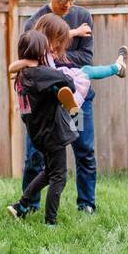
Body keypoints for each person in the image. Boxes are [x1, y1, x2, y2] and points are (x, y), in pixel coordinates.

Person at [21, 0, 112, 214]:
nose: (68, 4)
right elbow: (32, 62)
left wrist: (51, 54)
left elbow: (85, 58)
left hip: (77, 101)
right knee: (35, 157)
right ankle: (30, 206)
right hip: (44, 105)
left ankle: (86, 204)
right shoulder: (34, 22)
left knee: (84, 151)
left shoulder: (83, 17)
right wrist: (54, 57)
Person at [7, 30, 79, 226]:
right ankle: (50, 222)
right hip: (53, 133)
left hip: (38, 134)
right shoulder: (41, 73)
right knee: (59, 177)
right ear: (40, 52)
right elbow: (70, 83)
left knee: (49, 172)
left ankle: (21, 205)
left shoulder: (22, 76)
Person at [9, 14, 127, 112]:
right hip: (52, 87)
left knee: (86, 71)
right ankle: (117, 67)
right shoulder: (36, 50)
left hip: (61, 80)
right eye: (56, 41)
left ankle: (117, 67)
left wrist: (76, 32)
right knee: (62, 84)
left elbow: (61, 35)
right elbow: (11, 68)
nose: (57, 46)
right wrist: (27, 63)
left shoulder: (49, 50)